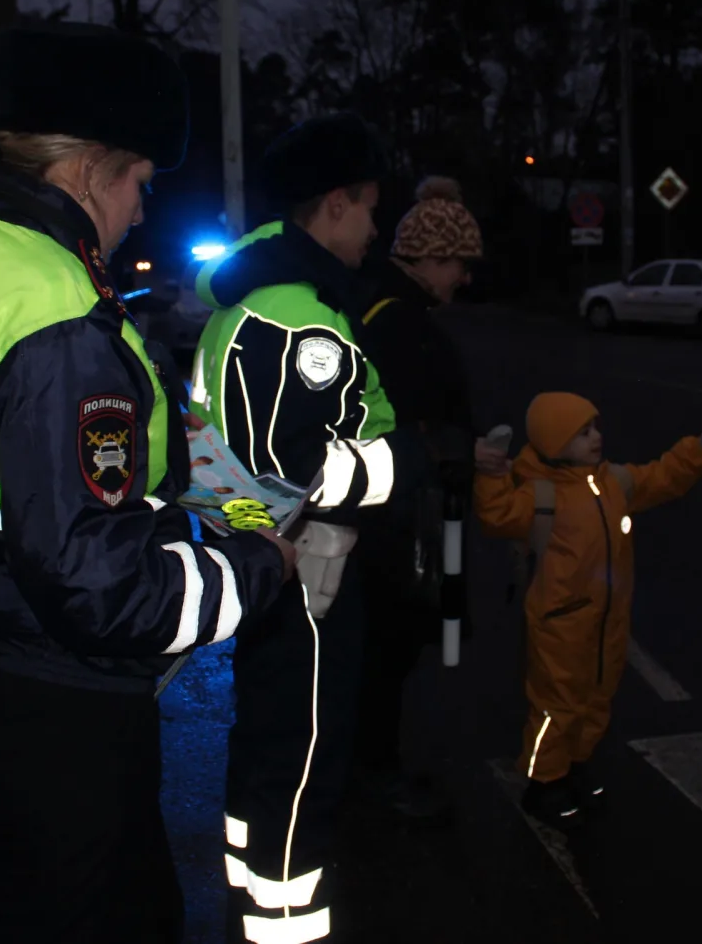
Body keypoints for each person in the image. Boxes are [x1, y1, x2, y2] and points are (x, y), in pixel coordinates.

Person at [0, 22, 294, 944]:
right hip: (56, 703)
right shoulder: (51, 312)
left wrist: (168, 455)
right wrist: (258, 563)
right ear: (92, 167)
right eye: (140, 182)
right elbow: (100, 586)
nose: (141, 209)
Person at [188, 113, 425, 944]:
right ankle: (285, 923)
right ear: (334, 204)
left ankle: (249, 882)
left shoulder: (254, 298)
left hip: (263, 548)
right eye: (368, 210)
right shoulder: (303, 318)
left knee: (267, 728)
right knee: (306, 749)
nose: (374, 231)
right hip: (310, 557)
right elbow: (306, 459)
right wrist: (402, 465)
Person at [472, 393, 702, 827]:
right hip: (559, 623)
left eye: (595, 428)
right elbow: (496, 515)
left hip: (608, 619)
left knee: (597, 696)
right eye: (583, 433)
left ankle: (576, 763)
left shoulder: (612, 482)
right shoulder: (542, 496)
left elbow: (665, 476)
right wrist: (493, 471)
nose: (597, 438)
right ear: (555, 443)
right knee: (557, 704)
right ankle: (543, 780)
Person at [351, 175, 483, 818]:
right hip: (393, 520)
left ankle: (375, 768)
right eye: (460, 263)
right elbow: (396, 423)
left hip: (400, 512)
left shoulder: (397, 310)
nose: (464, 278)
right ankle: (373, 777)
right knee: (387, 647)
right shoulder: (396, 320)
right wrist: (462, 450)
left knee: (390, 647)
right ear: (430, 259)